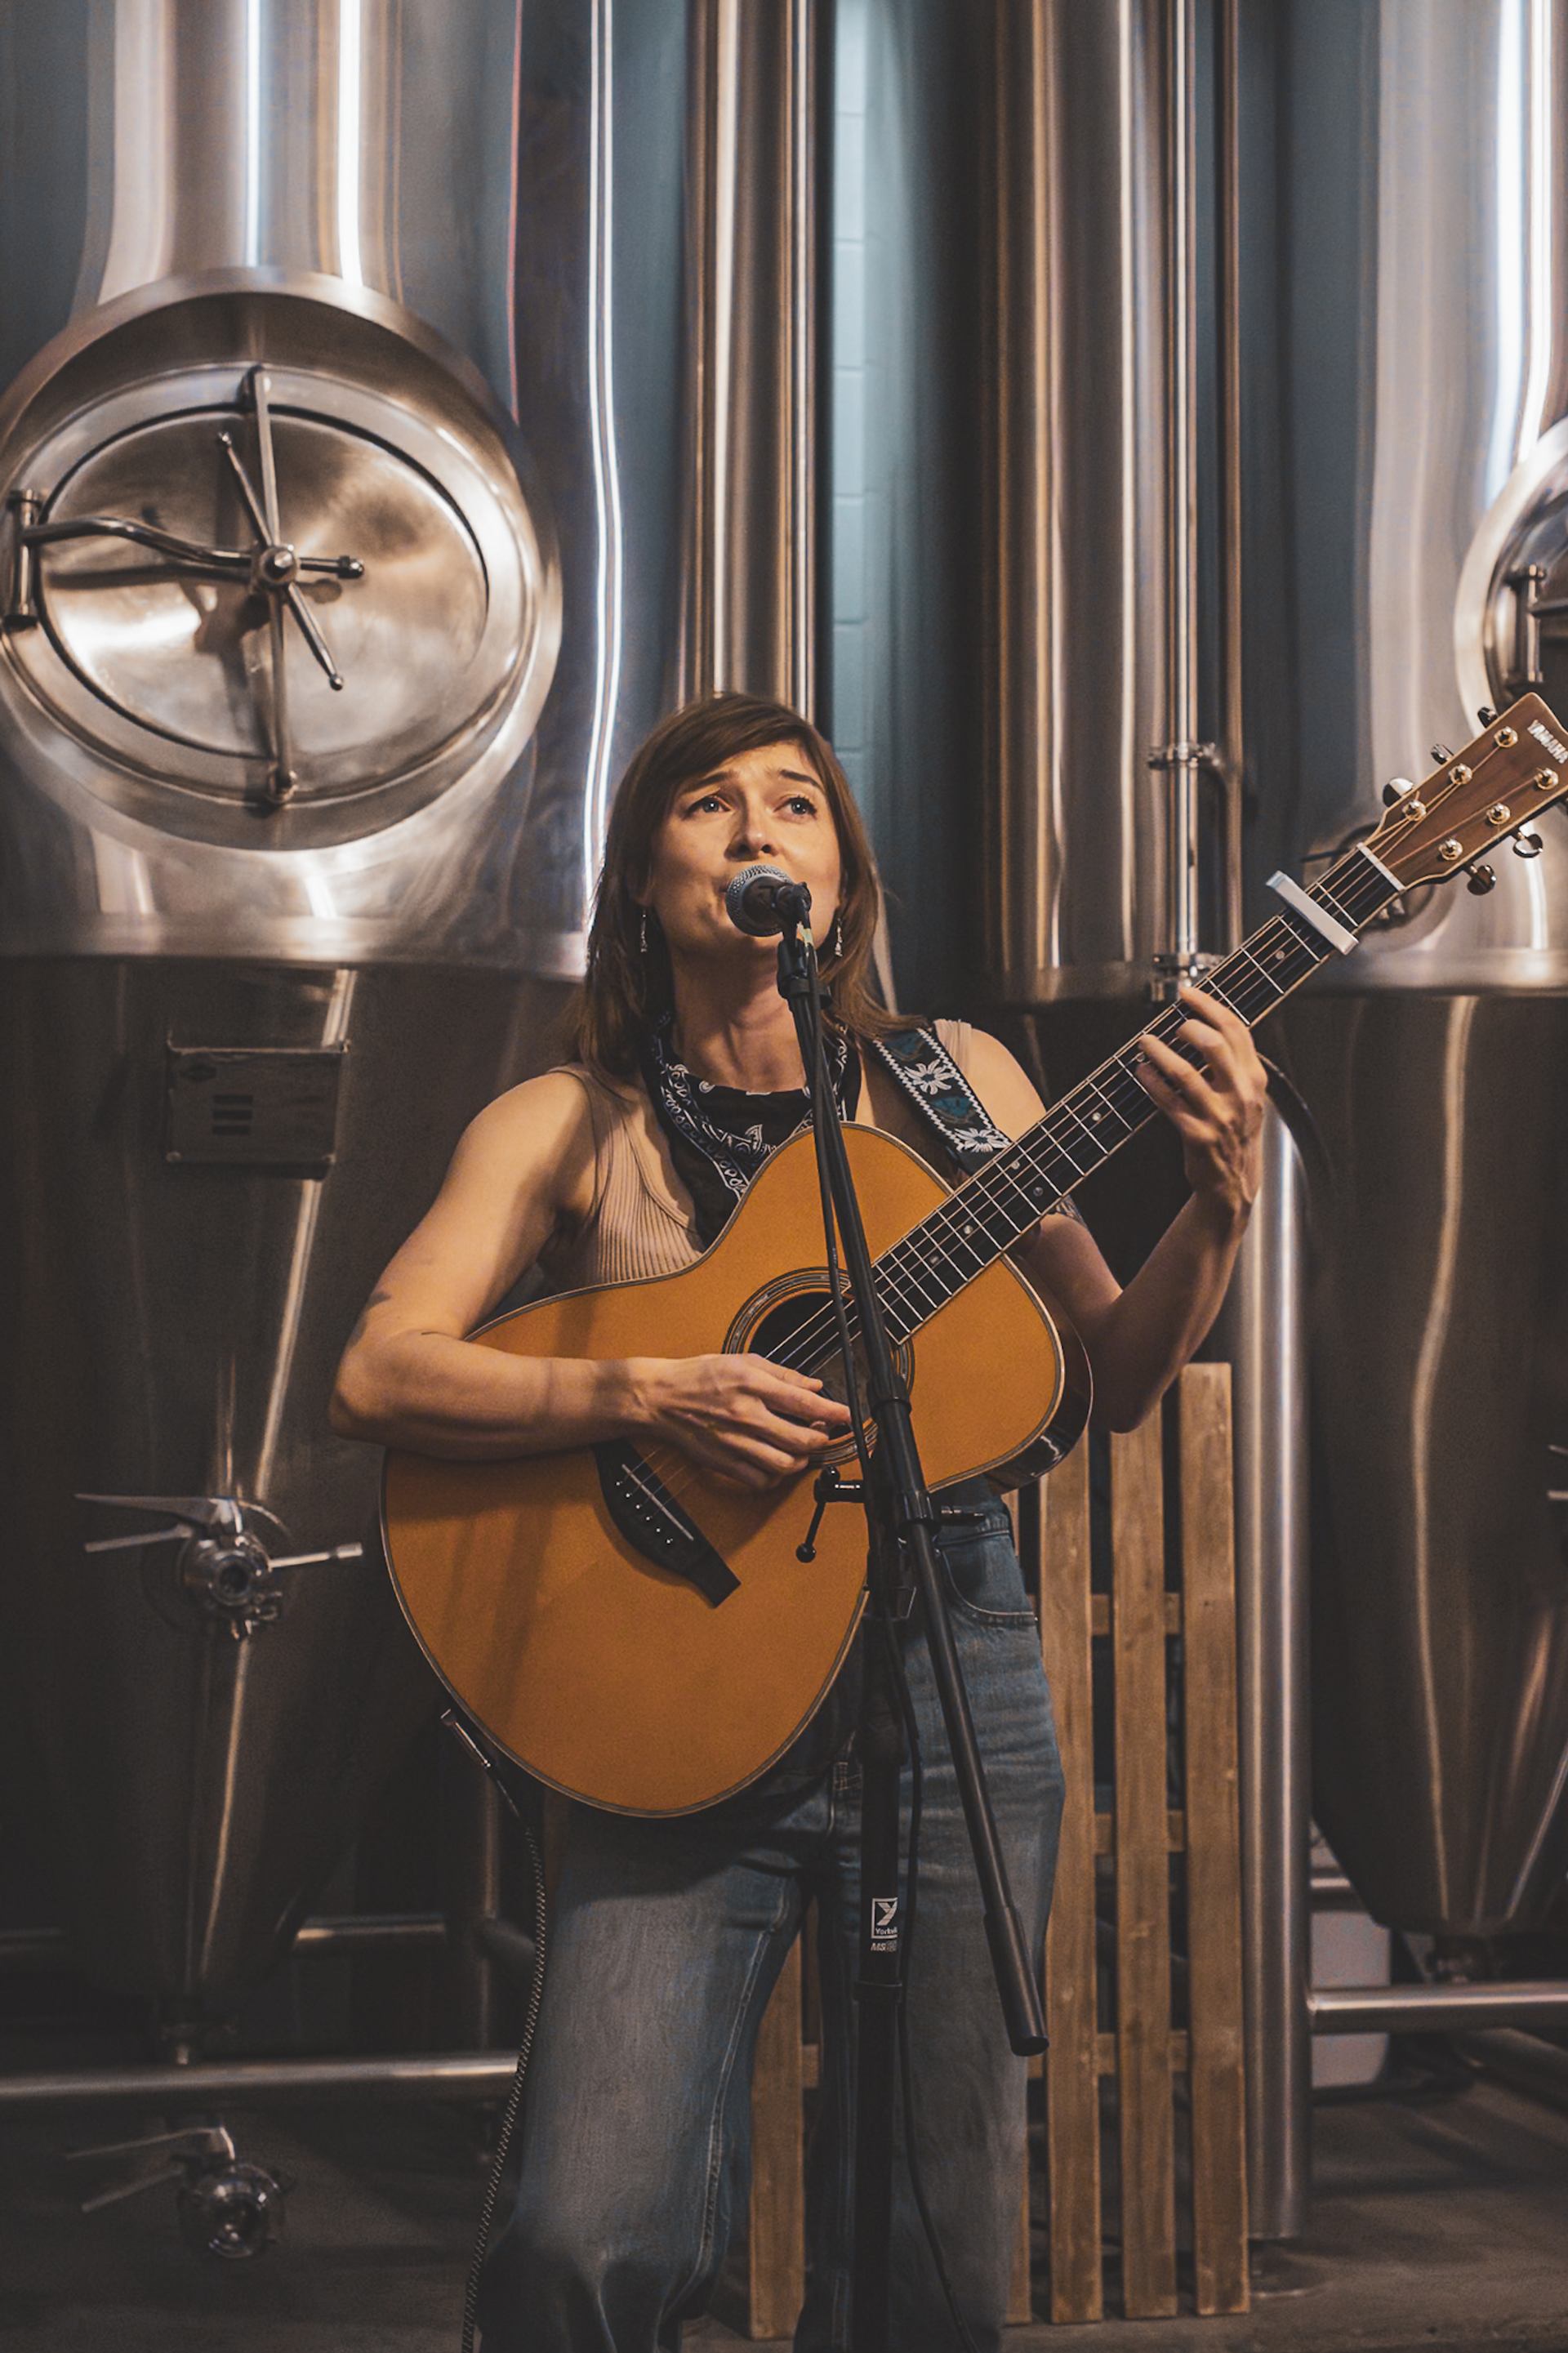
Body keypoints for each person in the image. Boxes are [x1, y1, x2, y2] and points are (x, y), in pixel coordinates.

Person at [331, 692, 1267, 2353]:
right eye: (710, 804)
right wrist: (648, 1393)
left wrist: (1218, 1206)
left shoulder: (950, 1079)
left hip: (946, 1669)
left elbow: (1116, 1375)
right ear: (642, 878)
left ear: (843, 874)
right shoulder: (571, 1123)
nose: (761, 829)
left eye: (797, 804)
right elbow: (382, 1371)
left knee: (933, 2242)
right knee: (581, 2232)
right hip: (674, 1698)